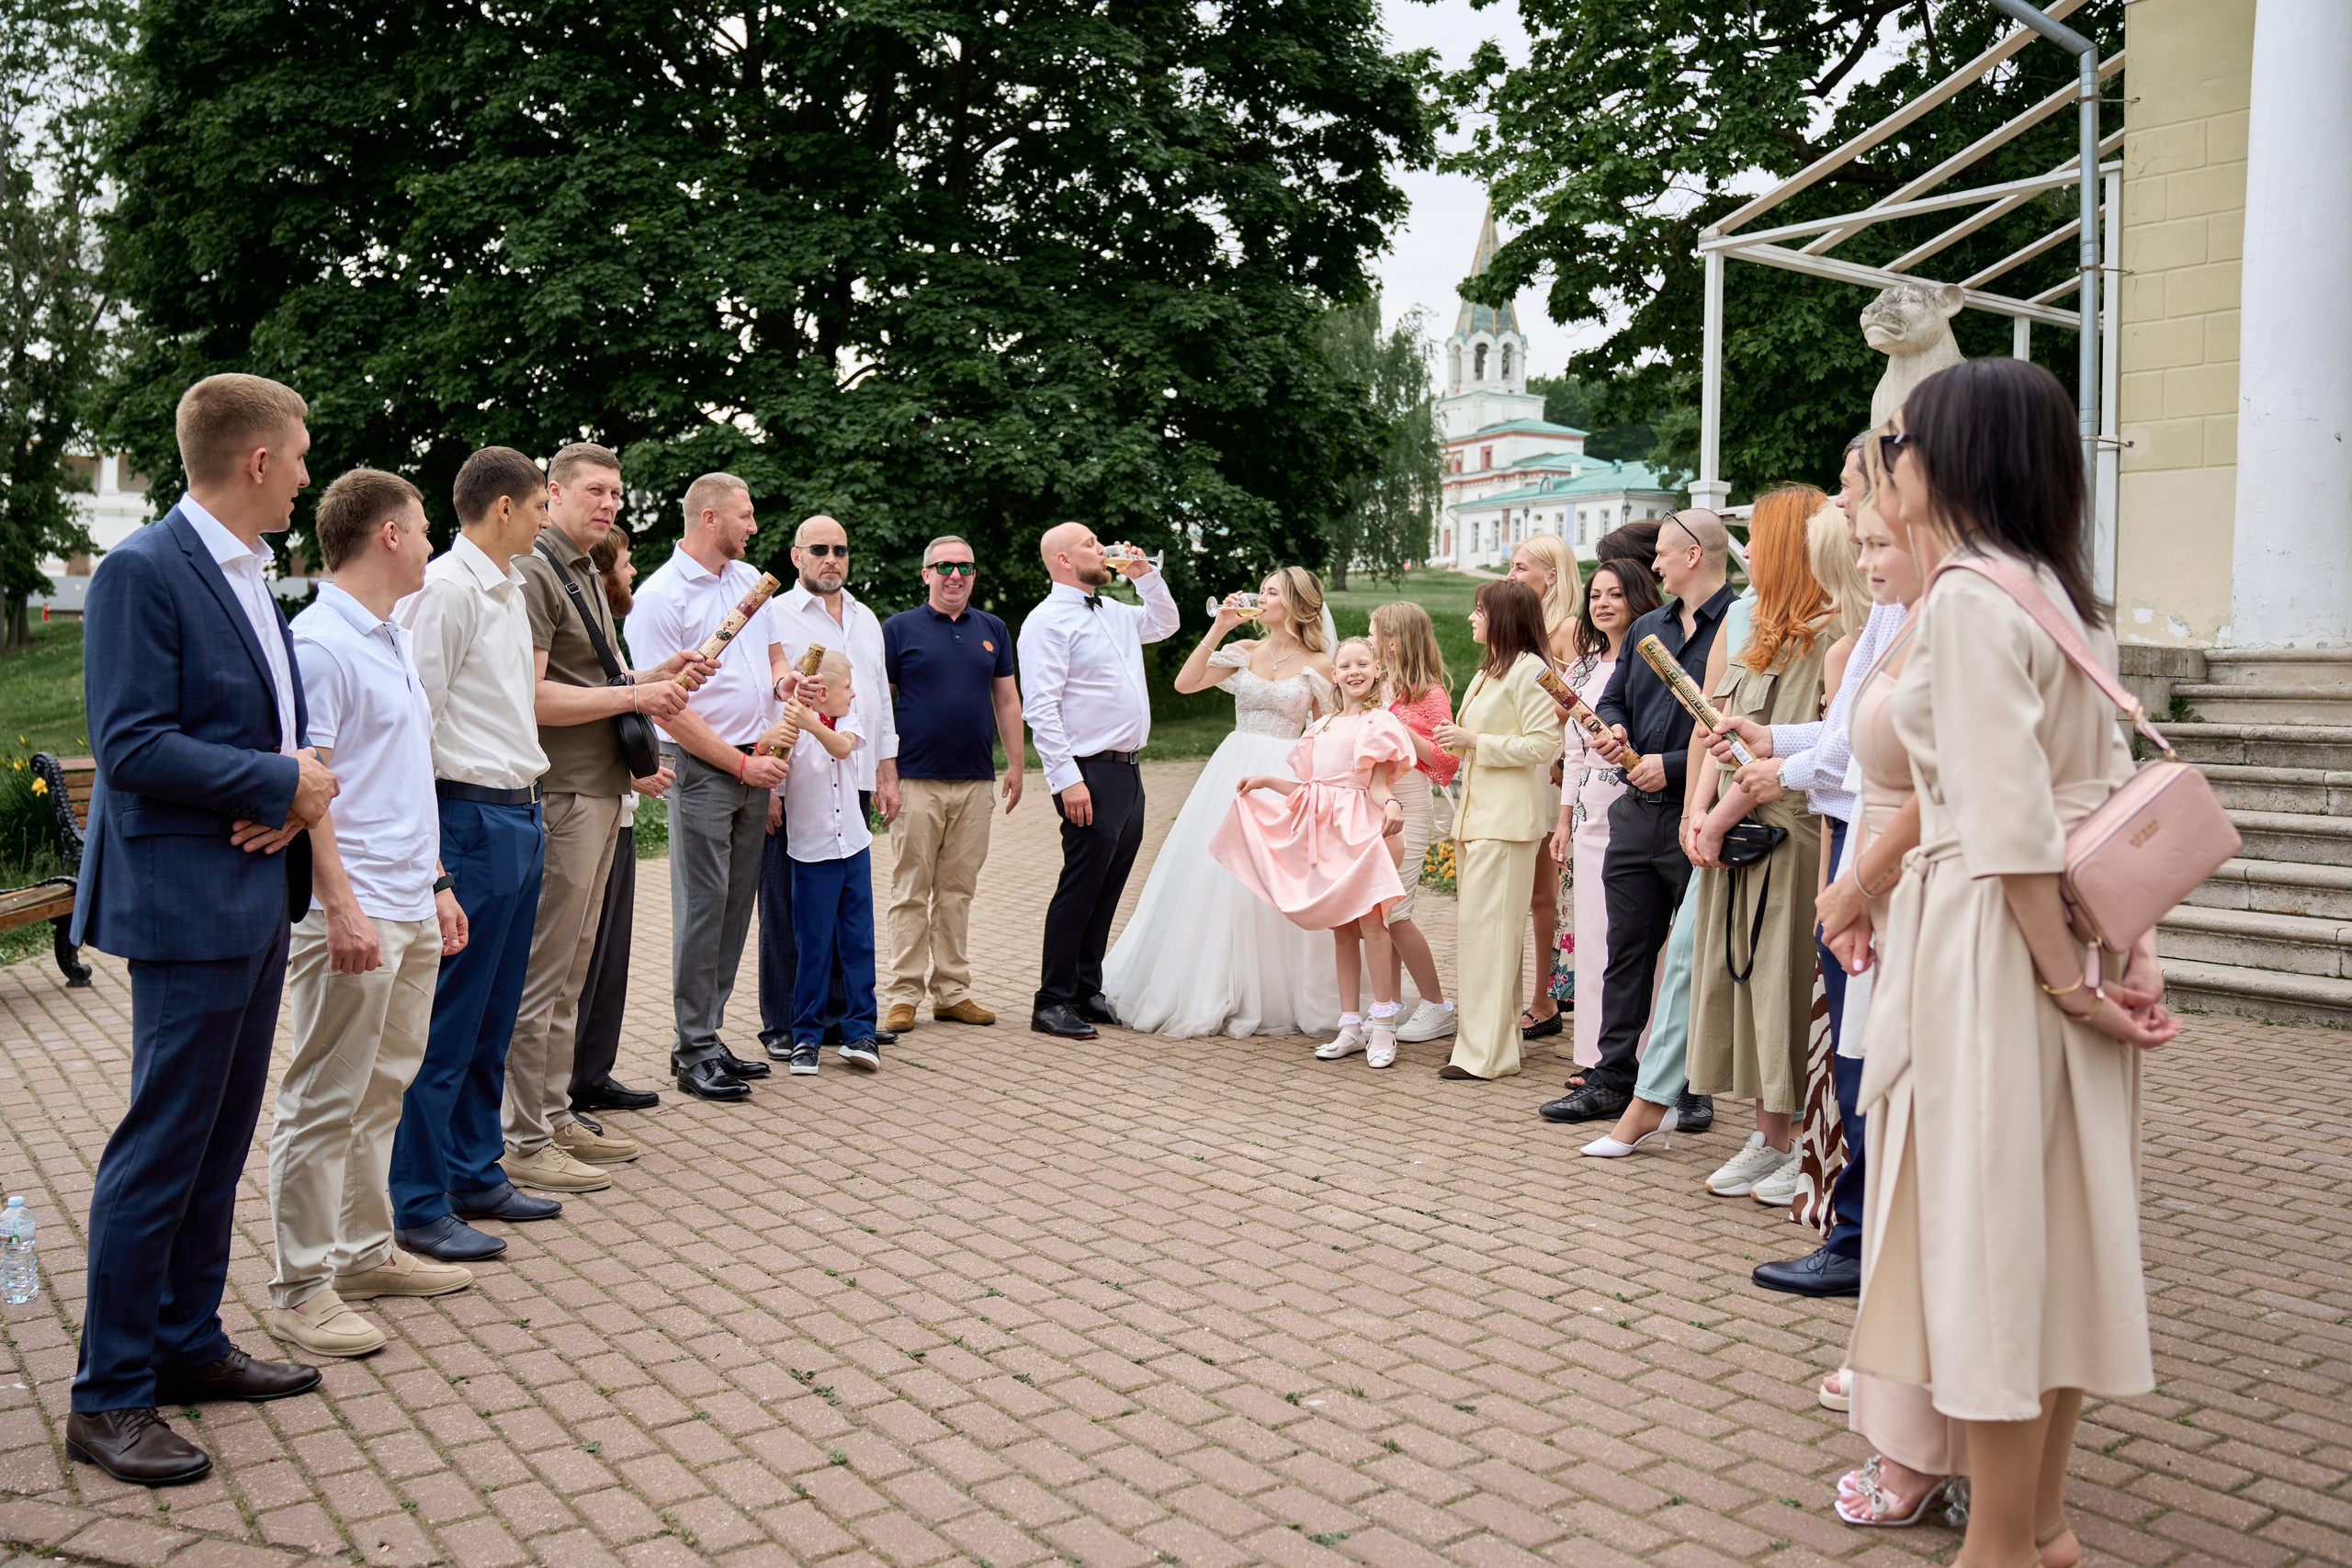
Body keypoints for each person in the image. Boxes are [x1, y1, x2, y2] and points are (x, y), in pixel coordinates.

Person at [1852, 358, 2174, 1568]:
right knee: (2062, 1231)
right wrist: (2125, 948)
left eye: (1906, 440)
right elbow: (2103, 796)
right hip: (2060, 933)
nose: (1893, 461)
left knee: (1991, 1240)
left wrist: (2065, 978)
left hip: (2001, 945)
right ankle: (2041, 1521)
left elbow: (2008, 821)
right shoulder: (2061, 594)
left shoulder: (1976, 602)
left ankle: (2000, 1542)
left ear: (1957, 457)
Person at [67, 374, 336, 1485]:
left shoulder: (250, 572)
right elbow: (130, 744)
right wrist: (279, 779)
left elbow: (265, 718)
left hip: (249, 894)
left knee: (220, 1144)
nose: (311, 473)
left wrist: (289, 790)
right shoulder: (142, 571)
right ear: (258, 461)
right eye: (303, 452)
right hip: (185, 904)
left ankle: (187, 1345)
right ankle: (109, 1394)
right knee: (162, 1149)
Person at [266, 468, 471, 1361]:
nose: (432, 540)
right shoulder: (319, 645)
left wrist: (436, 883)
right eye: (424, 526)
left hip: (406, 901)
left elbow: (398, 780)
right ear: (388, 534)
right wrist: (339, 905)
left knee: (383, 1085)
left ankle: (361, 1251)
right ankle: (302, 1288)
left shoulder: (388, 638)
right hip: (349, 912)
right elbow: (309, 792)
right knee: (323, 1097)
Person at [1817, 430, 1967, 1529]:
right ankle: (1907, 1402)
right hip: (1896, 892)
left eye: (1877, 524)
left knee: (1923, 1169)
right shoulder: (1928, 611)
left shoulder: (1969, 609)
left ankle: (1935, 1442)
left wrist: (1859, 878)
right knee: (1888, 1134)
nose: (1866, 547)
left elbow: (1952, 779)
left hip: (1928, 899)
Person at [505, 444, 697, 1190]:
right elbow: (534, 699)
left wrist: (655, 673)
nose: (609, 503)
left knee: (572, 971)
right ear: (551, 493)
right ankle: (524, 1135)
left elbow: (598, 678)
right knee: (545, 971)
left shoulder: (584, 566)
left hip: (600, 789)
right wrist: (635, 698)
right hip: (563, 792)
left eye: (616, 492)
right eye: (594, 490)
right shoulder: (535, 570)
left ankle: (553, 1115)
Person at [390, 448, 559, 1264]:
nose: (543, 519)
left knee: (492, 1013)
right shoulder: (448, 593)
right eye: (536, 507)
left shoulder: (509, 586)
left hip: (518, 816)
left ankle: (473, 1166)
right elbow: (411, 730)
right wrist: (435, 868)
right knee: (448, 1023)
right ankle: (418, 1199)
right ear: (501, 508)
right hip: (468, 819)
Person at [1716, 482, 1888, 1271]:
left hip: (1865, 850)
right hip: (1846, 840)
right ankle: (1843, 1212)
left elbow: (1883, 762)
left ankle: (1856, 1226)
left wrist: (1779, 768)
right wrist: (1774, 743)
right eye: (1860, 540)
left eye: (1871, 536)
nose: (1864, 553)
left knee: (1858, 1048)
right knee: (1846, 1045)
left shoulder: (1876, 629)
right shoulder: (1878, 623)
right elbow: (1842, 736)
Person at [1551, 510, 1737, 1121]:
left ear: (1693, 556)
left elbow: (1732, 730)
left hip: (1697, 810)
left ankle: (1691, 1084)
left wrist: (1673, 765)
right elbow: (1613, 694)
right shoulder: (1648, 626)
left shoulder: (1737, 625)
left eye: (1661, 554)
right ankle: (1611, 1078)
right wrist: (1619, 726)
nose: (1651, 566)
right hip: (1636, 814)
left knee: (1696, 955)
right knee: (1626, 950)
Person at [1102, 567, 1336, 1037]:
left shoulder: (1322, 663)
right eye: (1262, 590)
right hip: (1232, 771)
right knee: (1214, 874)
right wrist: (1220, 626)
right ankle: (1210, 983)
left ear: (1296, 603)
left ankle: (1274, 991)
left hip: (1282, 774)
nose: (1260, 597)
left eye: (1271, 592)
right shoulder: (1245, 651)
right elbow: (1185, 683)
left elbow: (1326, 733)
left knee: (1271, 880)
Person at [1684, 486, 1833, 1199]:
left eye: (1759, 540)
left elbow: (1780, 759)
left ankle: (1788, 1133)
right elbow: (1726, 731)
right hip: (1746, 832)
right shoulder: (1766, 627)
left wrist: (1713, 817)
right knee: (1745, 982)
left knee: (1780, 983)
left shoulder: (1825, 635)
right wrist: (1701, 809)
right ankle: (1770, 1130)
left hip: (1784, 832)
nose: (1748, 554)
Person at [624, 473, 787, 1101]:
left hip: (755, 759)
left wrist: (782, 688)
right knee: (701, 907)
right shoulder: (661, 597)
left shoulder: (750, 582)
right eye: (745, 516)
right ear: (711, 518)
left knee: (734, 904)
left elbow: (773, 655)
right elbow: (666, 709)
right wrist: (738, 765)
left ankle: (708, 1032)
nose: (753, 526)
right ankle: (691, 1048)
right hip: (702, 766)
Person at [1211, 637, 1418, 1066]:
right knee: (1341, 930)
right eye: (1345, 665)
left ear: (1378, 670)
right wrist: (1267, 781)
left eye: (1363, 664)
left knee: (1373, 924)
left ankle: (1383, 1026)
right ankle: (1349, 1026)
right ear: (1335, 674)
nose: (1354, 671)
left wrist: (1394, 805)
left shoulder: (1378, 723)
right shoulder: (1319, 727)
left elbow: (1378, 786)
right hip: (1325, 833)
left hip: (1361, 831)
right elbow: (1312, 786)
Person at [1018, 523, 1181, 1039]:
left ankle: (1087, 986)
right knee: (1080, 883)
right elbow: (1040, 708)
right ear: (1064, 560)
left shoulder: (1113, 611)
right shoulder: (1045, 622)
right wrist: (1067, 780)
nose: (1102, 547)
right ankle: (1052, 1000)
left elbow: (1167, 623)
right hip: (1087, 771)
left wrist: (1145, 576)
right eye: (1090, 543)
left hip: (1128, 769)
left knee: (1109, 884)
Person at [761, 514, 899, 1055]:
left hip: (855, 773)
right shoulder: (777, 616)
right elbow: (761, 697)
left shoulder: (866, 619)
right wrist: (768, 785)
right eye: (819, 549)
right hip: (794, 780)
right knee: (786, 906)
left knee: (844, 907)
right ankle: (783, 1024)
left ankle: (843, 1019)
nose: (831, 559)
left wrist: (887, 771)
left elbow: (879, 701)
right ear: (797, 556)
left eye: (840, 550)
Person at [877, 535, 1023, 1034]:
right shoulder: (898, 630)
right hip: (916, 781)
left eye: (964, 567)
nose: (954, 575)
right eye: (943, 567)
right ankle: (902, 996)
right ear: (926, 574)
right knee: (911, 890)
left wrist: (1017, 766)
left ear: (974, 574)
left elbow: (1006, 701)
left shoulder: (993, 629)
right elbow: (879, 706)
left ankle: (953, 992)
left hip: (976, 781)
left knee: (957, 891)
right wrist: (885, 771)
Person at [1432, 580, 1564, 1080]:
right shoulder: (1493, 669)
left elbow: (1541, 746)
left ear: (1503, 618)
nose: (1471, 618)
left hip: (1507, 822)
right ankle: (1496, 1043)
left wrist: (1475, 741)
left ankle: (1484, 1054)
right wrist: (1463, 743)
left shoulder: (1531, 671)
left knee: (1490, 935)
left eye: (1479, 610)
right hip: (1479, 817)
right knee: (1484, 933)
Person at [570, 524, 667, 1122]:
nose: (629, 571)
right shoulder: (577, 635)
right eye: (625, 561)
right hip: (585, 803)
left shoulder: (607, 635)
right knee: (577, 958)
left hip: (620, 813)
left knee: (609, 956)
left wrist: (655, 677)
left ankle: (593, 1071)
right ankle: (566, 1083)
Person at [1549, 558, 1661, 1070]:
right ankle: (1596, 1057)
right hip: (1588, 810)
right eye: (1595, 595)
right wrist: (1562, 818)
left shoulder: (1651, 661)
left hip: (1636, 801)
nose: (1602, 604)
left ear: (1637, 598)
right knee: (1593, 935)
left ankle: (1645, 1056)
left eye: (1615, 594)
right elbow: (1573, 751)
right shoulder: (1580, 668)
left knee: (1633, 938)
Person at [769, 650, 882, 1070]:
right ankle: (806, 1038)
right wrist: (784, 731)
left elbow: (841, 748)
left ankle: (861, 1033)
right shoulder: (789, 726)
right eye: (847, 687)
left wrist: (810, 723)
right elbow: (765, 754)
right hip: (812, 852)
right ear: (822, 691)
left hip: (853, 846)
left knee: (858, 942)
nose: (853, 693)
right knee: (813, 947)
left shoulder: (846, 722)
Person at [1368, 601, 1457, 1043]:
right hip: (1372, 802)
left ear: (1394, 639)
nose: (1368, 640)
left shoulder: (1429, 694)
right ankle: (1393, 1002)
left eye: (1373, 632)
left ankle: (1438, 1005)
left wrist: (1403, 731)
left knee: (1397, 912)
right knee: (1378, 911)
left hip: (1410, 803)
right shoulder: (1376, 685)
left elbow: (1446, 762)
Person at [1504, 536, 1579, 1042]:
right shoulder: (1529, 629)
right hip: (1525, 763)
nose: (1511, 575)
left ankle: (1546, 997)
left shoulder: (1566, 629)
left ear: (1551, 576)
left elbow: (1576, 700)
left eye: (1520, 567)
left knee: (1544, 891)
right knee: (1531, 891)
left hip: (1550, 765)